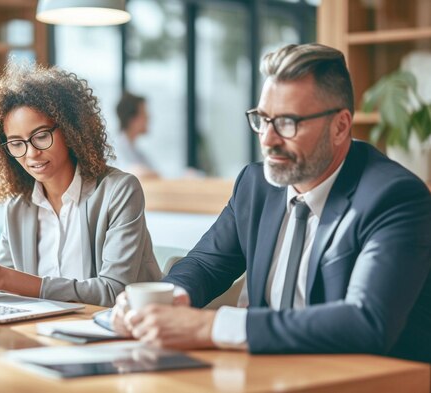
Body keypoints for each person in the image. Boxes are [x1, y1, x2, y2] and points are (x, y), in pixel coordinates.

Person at [111, 43, 431, 362]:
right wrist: (165, 301)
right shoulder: (256, 185)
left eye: (287, 122)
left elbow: (366, 323)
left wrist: (211, 326)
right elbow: (206, 264)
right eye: (263, 119)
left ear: (340, 126)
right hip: (267, 373)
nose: (267, 138)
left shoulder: (395, 198)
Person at [0, 63, 162, 307]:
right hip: (42, 332)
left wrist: (2, 278)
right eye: (16, 143)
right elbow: (5, 294)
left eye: (41, 136)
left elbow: (113, 292)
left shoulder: (119, 191)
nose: (31, 153)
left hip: (112, 332)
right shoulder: (18, 206)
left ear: (69, 129)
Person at [112, 92, 159, 179]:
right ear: (132, 119)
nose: (148, 117)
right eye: (144, 113)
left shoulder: (137, 152)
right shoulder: (115, 148)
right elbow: (130, 173)